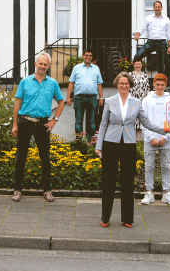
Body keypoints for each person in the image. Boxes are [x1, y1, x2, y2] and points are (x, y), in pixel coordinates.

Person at [95, 72, 168, 227]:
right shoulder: (109, 101)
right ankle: (105, 217)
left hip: (129, 143)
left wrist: (166, 130)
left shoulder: (136, 102)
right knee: (109, 181)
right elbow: (103, 125)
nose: (124, 85)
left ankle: (127, 218)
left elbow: (146, 123)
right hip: (110, 143)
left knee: (128, 181)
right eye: (121, 83)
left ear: (130, 85)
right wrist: (98, 146)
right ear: (117, 84)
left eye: (127, 83)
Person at [11, 52, 66, 202]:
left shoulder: (53, 83)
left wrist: (54, 120)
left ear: (48, 67)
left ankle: (47, 190)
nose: (42, 67)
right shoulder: (25, 82)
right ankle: (17, 190)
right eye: (40, 64)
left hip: (43, 124)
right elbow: (17, 104)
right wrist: (15, 124)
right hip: (25, 122)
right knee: (21, 157)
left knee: (45, 158)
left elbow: (61, 102)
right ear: (35, 64)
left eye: (45, 64)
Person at [139, 74, 170, 206]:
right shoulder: (146, 100)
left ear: (165, 85)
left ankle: (166, 193)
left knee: (166, 166)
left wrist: (165, 137)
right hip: (150, 140)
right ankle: (149, 192)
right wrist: (150, 137)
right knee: (149, 166)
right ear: (153, 84)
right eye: (158, 84)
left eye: (162, 85)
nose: (160, 87)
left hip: (165, 140)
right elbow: (143, 121)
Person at [66, 49, 103, 139]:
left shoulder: (96, 68)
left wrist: (101, 97)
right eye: (86, 55)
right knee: (78, 121)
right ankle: (79, 141)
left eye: (90, 55)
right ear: (83, 56)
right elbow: (71, 83)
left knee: (92, 121)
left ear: (92, 57)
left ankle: (91, 142)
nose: (88, 57)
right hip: (79, 98)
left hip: (92, 98)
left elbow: (99, 84)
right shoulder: (76, 68)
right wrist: (68, 97)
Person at [133, 0, 170, 76]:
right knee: (137, 56)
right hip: (150, 42)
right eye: (156, 7)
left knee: (161, 65)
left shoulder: (166, 19)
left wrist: (169, 47)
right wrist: (137, 34)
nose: (157, 8)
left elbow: (169, 34)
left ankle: (160, 82)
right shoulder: (148, 18)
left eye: (159, 7)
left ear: (161, 8)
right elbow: (141, 28)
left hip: (162, 43)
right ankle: (138, 75)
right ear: (153, 8)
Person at [129, 59, 150, 140]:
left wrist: (147, 99)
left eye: (139, 64)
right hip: (132, 100)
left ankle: (138, 141)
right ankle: (131, 141)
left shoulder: (145, 75)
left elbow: (147, 88)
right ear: (133, 65)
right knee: (132, 120)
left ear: (142, 65)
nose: (138, 65)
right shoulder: (129, 75)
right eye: (136, 64)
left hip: (142, 101)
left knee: (139, 122)